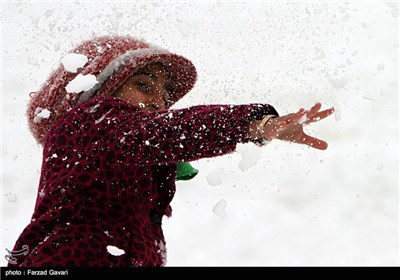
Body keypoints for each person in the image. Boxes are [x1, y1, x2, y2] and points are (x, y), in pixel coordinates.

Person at [8, 36, 334, 267]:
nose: (159, 101)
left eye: (166, 94)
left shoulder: (126, 150)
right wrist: (252, 124)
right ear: (100, 89)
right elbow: (167, 131)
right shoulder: (92, 119)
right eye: (144, 85)